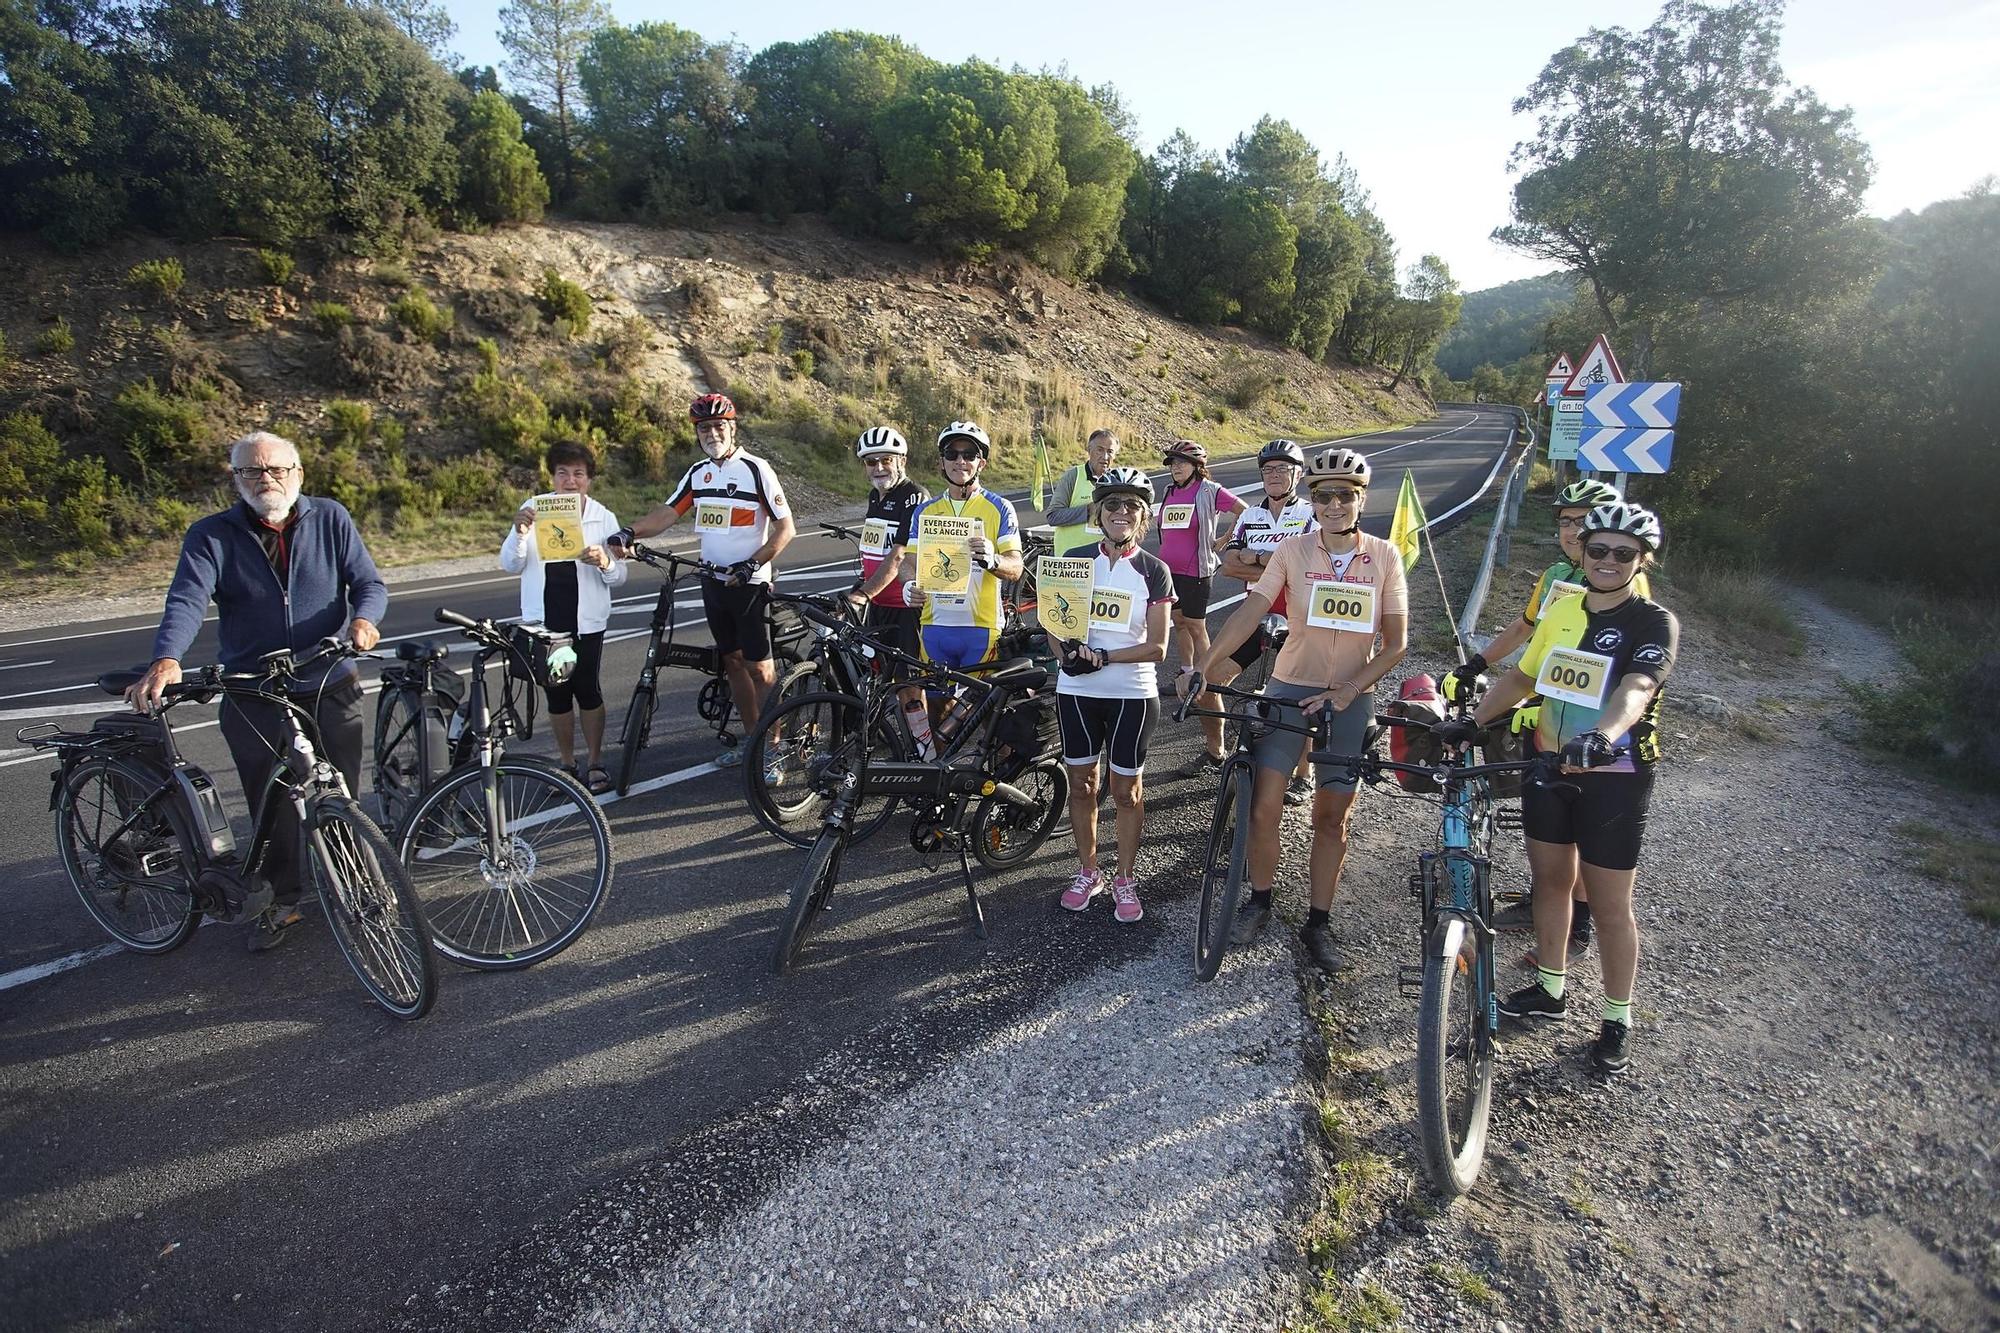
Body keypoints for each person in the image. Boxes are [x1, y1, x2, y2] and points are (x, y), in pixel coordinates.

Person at [1436, 502, 1676, 1076]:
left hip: (1613, 776)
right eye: (1599, 550)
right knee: (1550, 881)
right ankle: (1550, 989)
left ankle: (1617, 1018)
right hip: (1547, 766)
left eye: (1624, 553)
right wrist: (1476, 721)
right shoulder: (1564, 611)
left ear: (1642, 560)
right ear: (1583, 553)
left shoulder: (1653, 620)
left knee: (1612, 904)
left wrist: (1602, 735)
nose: (1609, 561)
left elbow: (1637, 686)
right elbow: (1524, 675)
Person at [126, 431, 386, 952]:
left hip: (327, 681)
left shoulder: (330, 516)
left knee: (341, 795)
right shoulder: (211, 535)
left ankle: (358, 886)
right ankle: (282, 900)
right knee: (276, 806)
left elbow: (368, 584)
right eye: (252, 471)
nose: (266, 479)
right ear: (236, 478)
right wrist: (168, 657)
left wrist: (363, 620)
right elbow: (186, 598)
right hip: (253, 691)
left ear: (299, 473)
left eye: (277, 469)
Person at [1181, 447, 1408, 973]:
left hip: (1349, 695)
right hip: (1288, 686)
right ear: (1312, 499)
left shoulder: (1384, 555)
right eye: (1324, 496)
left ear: (1360, 500)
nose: (1334, 505)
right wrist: (1206, 665)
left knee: (1334, 818)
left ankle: (1318, 920)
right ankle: (1259, 899)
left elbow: (1395, 644)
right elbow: (1252, 610)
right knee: (1263, 803)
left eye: (1345, 496)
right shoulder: (1293, 552)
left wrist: (1347, 693)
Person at [1447, 477, 1648, 961]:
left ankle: (1577, 927)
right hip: (1549, 711)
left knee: (1578, 827)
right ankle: (1549, 906)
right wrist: (1478, 664)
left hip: (1594, 731)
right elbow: (1526, 630)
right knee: (1549, 826)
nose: (1572, 532)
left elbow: (1627, 670)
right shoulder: (1558, 573)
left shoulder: (1623, 580)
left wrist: (1545, 700)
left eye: (1583, 523)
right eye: (1565, 522)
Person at [610, 393, 796, 769]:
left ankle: (773, 750)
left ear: (732, 428)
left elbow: (785, 528)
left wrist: (751, 564)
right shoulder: (698, 473)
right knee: (732, 662)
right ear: (698, 433)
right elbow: (667, 513)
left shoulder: (756, 469)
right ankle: (751, 739)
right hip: (712, 581)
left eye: (718, 426)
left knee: (762, 669)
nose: (712, 433)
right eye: (705, 428)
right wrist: (631, 531)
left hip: (749, 583)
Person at [1052, 467, 1174, 923]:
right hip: (1077, 691)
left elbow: (1158, 647)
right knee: (1082, 786)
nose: (1121, 513)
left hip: (1132, 694)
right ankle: (1088, 870)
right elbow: (1053, 624)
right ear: (1098, 512)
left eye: (1131, 507)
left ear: (1142, 518)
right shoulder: (1075, 560)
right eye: (1112, 505)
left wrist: (1102, 656)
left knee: (1126, 791)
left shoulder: (1153, 570)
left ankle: (1124, 875)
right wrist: (1066, 653)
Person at [1190, 438, 1318, 804]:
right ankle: (1217, 750)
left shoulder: (1309, 514)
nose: (1274, 476)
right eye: (1268, 470)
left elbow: (1309, 564)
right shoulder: (1250, 516)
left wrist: (1256, 557)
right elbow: (1229, 565)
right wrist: (1277, 558)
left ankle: (1303, 774)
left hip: (1298, 619)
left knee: (1304, 695)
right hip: (1256, 617)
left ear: (1298, 474)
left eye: (1282, 469)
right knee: (1211, 677)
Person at [501, 441, 628, 793]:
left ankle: (596, 761)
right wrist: (520, 532)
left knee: (588, 690)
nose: (570, 481)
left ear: (589, 479)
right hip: (546, 622)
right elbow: (510, 563)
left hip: (587, 620)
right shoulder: (533, 508)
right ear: (552, 477)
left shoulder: (603, 517)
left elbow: (620, 577)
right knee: (556, 695)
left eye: (578, 474)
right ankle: (567, 764)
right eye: (562, 473)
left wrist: (604, 561)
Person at [905, 422, 1025, 678]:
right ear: (942, 462)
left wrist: (992, 560)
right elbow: (908, 562)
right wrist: (907, 585)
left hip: (981, 628)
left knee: (976, 712)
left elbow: (1016, 567)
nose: (960, 461)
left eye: (969, 454)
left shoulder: (1000, 507)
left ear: (981, 463)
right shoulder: (925, 511)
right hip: (934, 626)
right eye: (952, 454)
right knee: (937, 710)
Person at [1156, 439, 1246, 776]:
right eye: (1172, 462)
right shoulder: (1169, 492)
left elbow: (1244, 511)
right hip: (1169, 570)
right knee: (1178, 621)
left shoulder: (1210, 490)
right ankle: (1188, 666)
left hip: (1197, 571)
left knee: (1196, 625)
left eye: (1182, 462)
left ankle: (1204, 671)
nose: (1176, 467)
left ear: (1197, 465)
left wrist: (1226, 539)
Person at [844, 426, 931, 747]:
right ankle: (884, 741)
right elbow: (875, 549)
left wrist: (862, 594)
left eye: (886, 460)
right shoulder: (876, 495)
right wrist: (863, 588)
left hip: (905, 606)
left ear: (902, 460)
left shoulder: (914, 496)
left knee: (909, 684)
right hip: (879, 604)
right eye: (871, 462)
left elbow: (897, 556)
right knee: (879, 675)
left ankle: (924, 749)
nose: (879, 468)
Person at [1044, 428, 1120, 555]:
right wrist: (1089, 510)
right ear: (1089, 451)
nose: (1105, 456)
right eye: (1100, 450)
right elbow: (1053, 516)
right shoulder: (1073, 476)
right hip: (1071, 561)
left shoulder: (1118, 481)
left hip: (1103, 561)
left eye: (1110, 451)